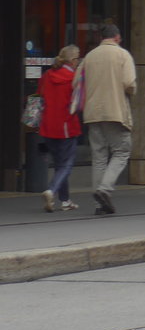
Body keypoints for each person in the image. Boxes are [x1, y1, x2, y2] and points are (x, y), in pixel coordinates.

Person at [76, 24, 136, 215]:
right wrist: (130, 91)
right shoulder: (123, 55)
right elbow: (129, 83)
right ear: (117, 37)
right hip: (115, 111)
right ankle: (105, 189)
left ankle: (99, 204)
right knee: (121, 152)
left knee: (99, 157)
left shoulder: (89, 57)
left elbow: (76, 82)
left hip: (92, 113)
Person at [37, 44, 82, 212]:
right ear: (71, 61)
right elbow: (78, 103)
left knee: (59, 164)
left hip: (48, 126)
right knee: (66, 164)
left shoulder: (47, 75)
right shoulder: (73, 78)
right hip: (66, 126)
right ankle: (51, 190)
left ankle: (65, 200)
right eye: (77, 58)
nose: (78, 61)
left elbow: (38, 96)